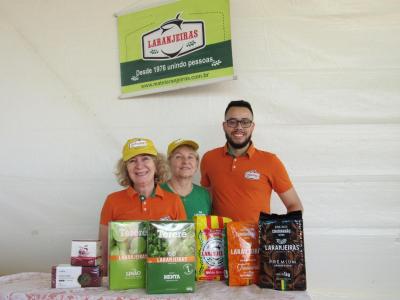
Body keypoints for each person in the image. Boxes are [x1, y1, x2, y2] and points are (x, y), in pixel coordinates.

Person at [200, 100, 303, 222]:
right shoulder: (209, 158)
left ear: (252, 127)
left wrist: (278, 235)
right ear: (224, 126)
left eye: (245, 122)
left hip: (256, 241)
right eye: (232, 122)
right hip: (219, 239)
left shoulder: (270, 162)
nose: (239, 127)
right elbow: (206, 203)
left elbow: (294, 206)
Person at [99, 137, 187, 274]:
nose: (139, 166)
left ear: (157, 165)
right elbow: (103, 250)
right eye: (132, 161)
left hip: (163, 276)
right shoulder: (112, 201)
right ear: (126, 168)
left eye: (145, 158)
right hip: (125, 278)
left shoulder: (174, 201)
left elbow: (181, 248)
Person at [160, 139, 211, 220]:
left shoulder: (204, 195)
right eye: (178, 157)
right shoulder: (157, 192)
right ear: (169, 162)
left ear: (197, 163)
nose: (185, 161)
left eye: (190, 157)